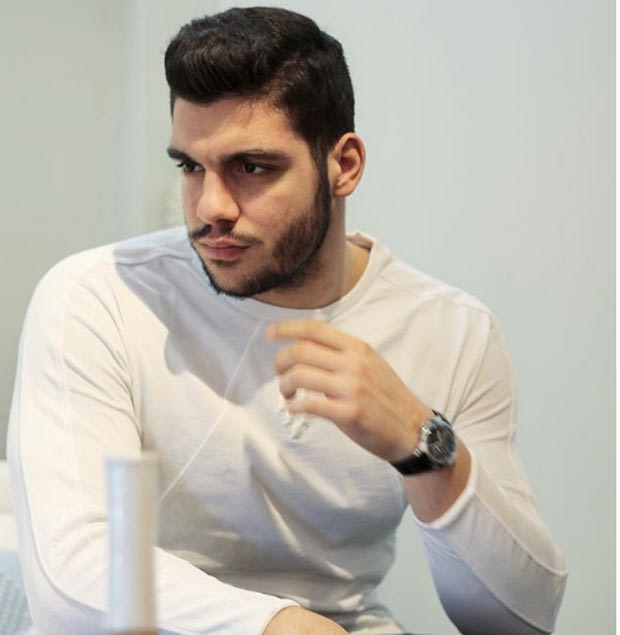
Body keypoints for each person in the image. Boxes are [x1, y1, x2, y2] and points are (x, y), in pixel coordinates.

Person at [8, 6, 567, 635]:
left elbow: (519, 621)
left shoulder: (453, 330)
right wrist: (282, 626)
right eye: (190, 167)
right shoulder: (99, 296)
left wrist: (426, 449)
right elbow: (73, 578)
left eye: (252, 168)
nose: (210, 208)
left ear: (343, 165)